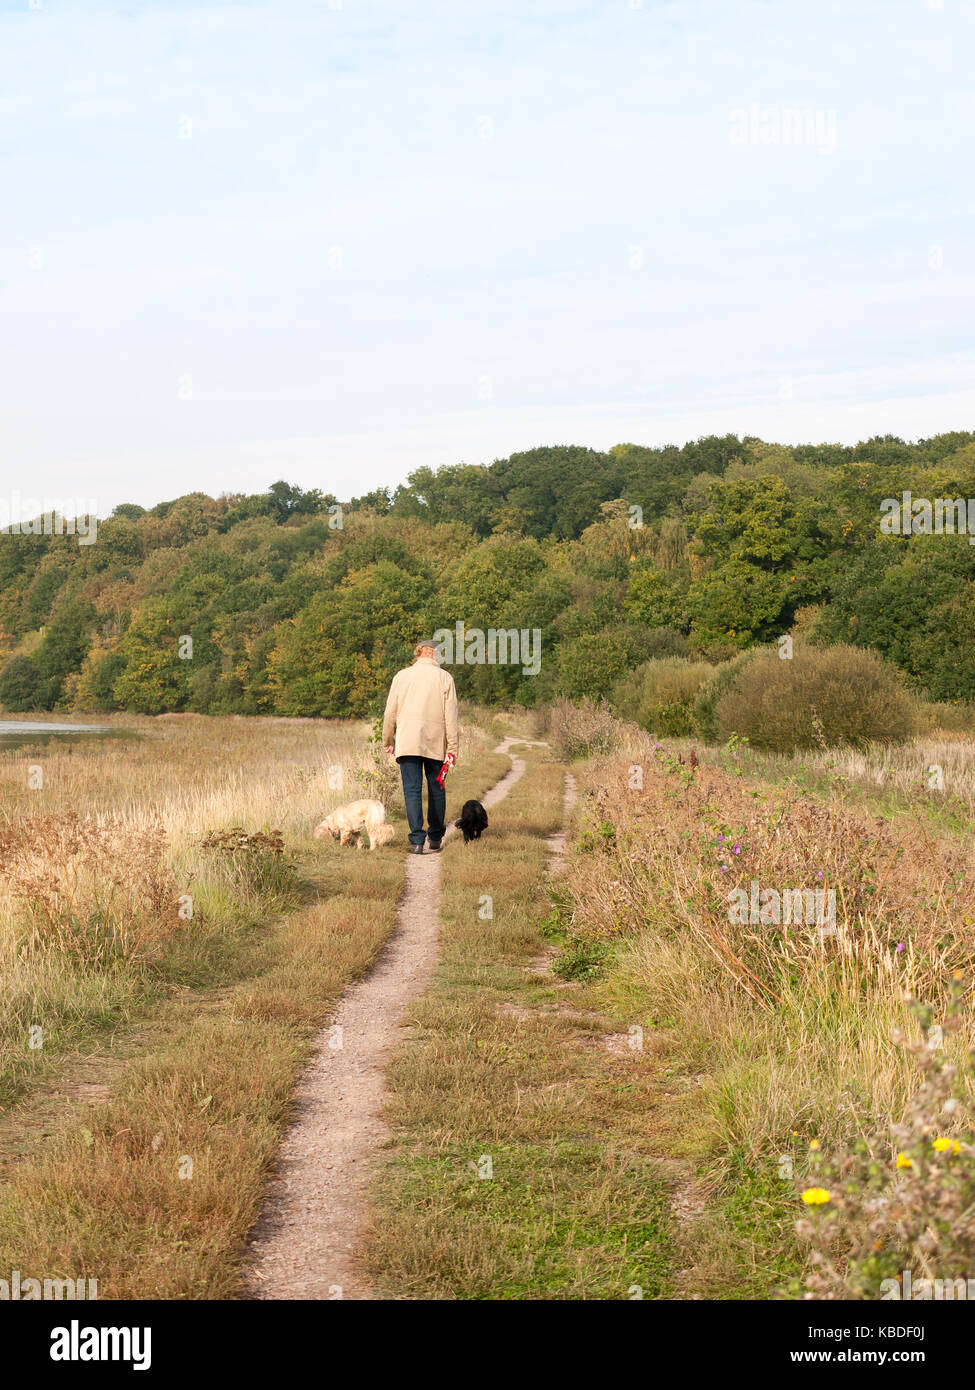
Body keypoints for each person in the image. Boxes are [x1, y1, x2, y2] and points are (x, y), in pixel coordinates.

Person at [382, 639, 459, 855]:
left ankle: (416, 841)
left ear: (419, 653)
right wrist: (452, 749)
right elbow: (451, 718)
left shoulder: (401, 676)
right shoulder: (445, 678)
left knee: (412, 791)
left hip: (407, 742)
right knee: (437, 790)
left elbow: (390, 713)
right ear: (434, 654)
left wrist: (388, 740)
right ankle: (435, 838)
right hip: (436, 743)